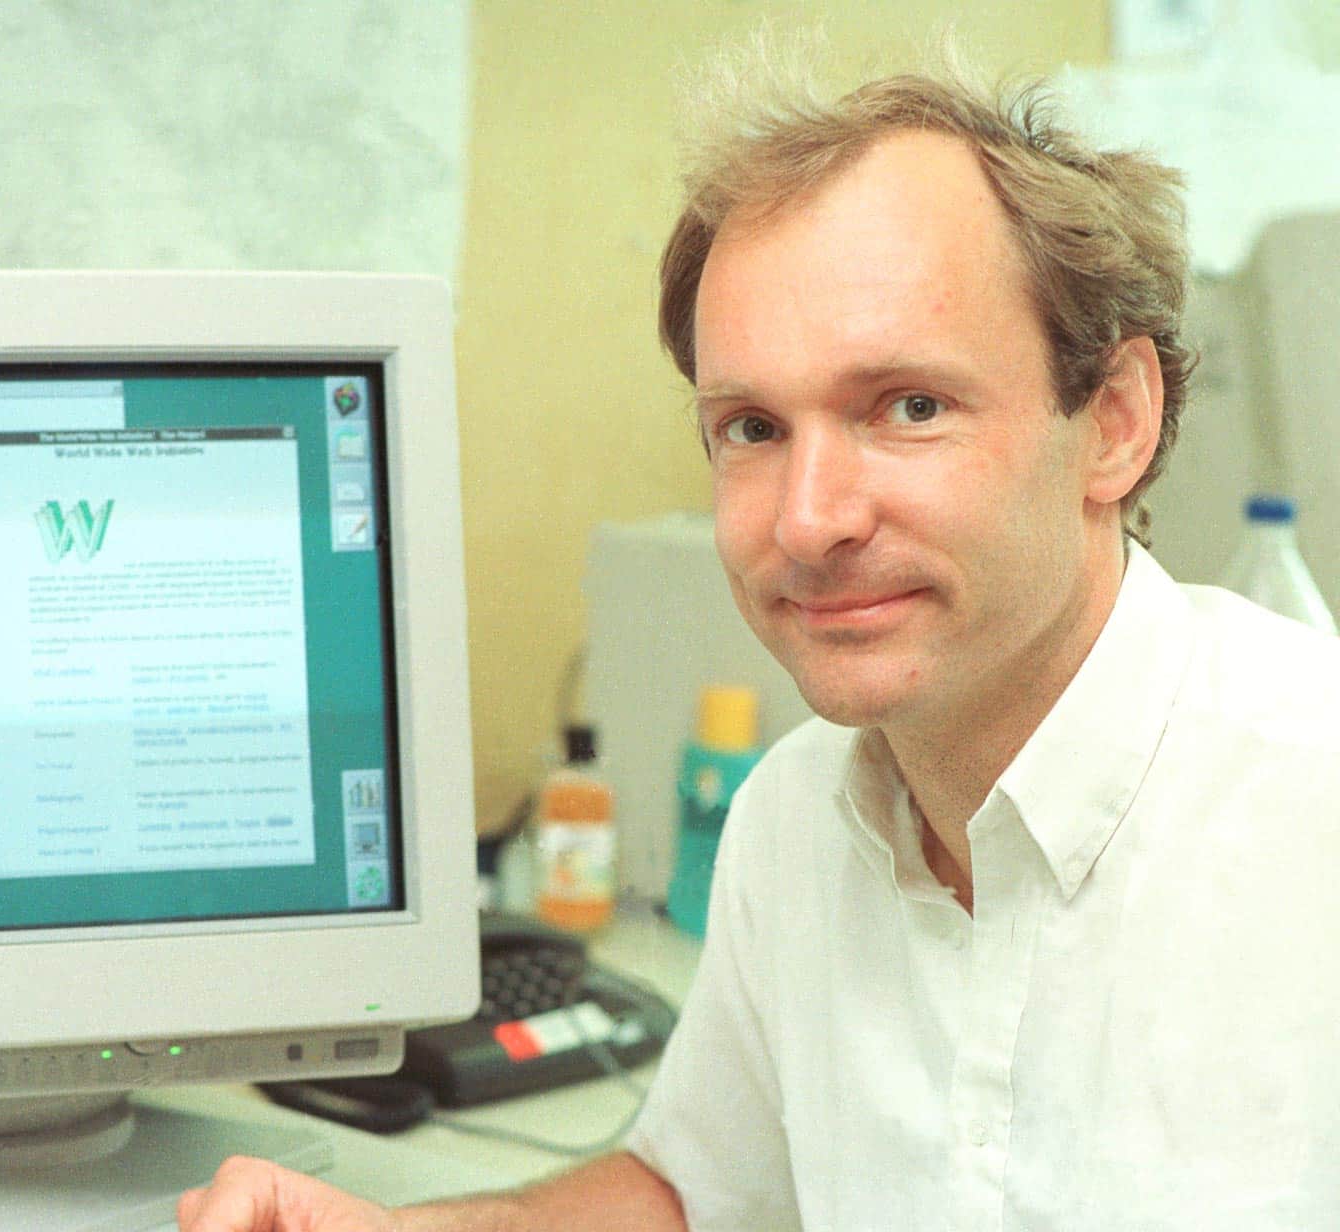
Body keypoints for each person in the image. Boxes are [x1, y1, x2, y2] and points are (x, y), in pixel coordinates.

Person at [178, 42, 1340, 1232]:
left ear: (1115, 422)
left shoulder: (1312, 812)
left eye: (909, 406)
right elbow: (695, 1191)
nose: (807, 518)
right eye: (751, 426)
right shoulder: (794, 824)